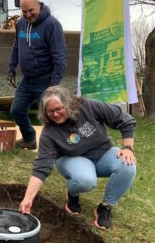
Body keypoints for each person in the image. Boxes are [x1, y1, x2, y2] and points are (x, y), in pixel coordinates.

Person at [19, 86, 137, 230]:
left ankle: (105, 207)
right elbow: (41, 167)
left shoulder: (88, 106)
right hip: (71, 159)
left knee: (128, 165)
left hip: (103, 152)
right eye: (50, 111)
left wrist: (127, 148)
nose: (55, 114)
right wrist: (28, 198)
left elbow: (124, 119)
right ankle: (73, 193)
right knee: (86, 180)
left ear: (68, 103)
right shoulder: (49, 133)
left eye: (59, 109)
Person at [8, 0, 67, 150]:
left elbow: (60, 57)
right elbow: (16, 46)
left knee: (51, 116)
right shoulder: (21, 24)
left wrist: (53, 85)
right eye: (24, 11)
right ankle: (29, 138)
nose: (27, 15)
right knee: (17, 110)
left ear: (39, 5)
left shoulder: (52, 25)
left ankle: (60, 148)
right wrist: (11, 68)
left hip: (46, 79)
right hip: (28, 79)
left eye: (31, 10)